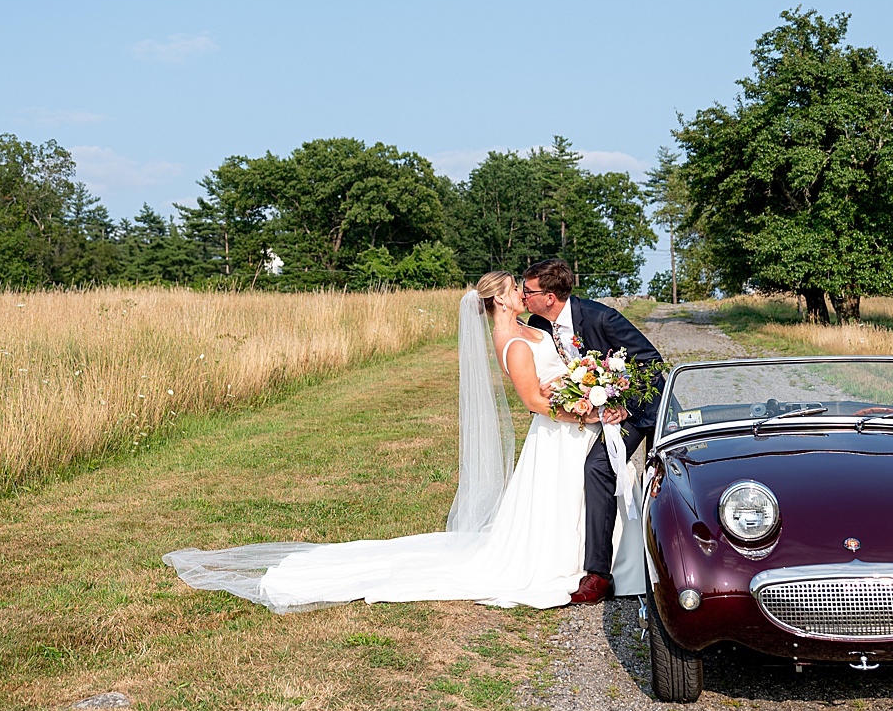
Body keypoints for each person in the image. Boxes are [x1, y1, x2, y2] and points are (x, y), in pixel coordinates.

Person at [163, 272, 603, 612]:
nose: (522, 293)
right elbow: (534, 400)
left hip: (570, 425)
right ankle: (560, 562)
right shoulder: (513, 343)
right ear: (501, 299)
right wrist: (586, 407)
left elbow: (555, 376)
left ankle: (592, 558)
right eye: (515, 289)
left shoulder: (531, 328)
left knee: (575, 496)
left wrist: (587, 385)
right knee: (558, 500)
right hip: (558, 429)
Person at [520, 257, 665, 604]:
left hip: (632, 412)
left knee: (598, 467)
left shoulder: (602, 317)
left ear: (550, 296)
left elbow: (652, 363)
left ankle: (599, 574)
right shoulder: (538, 321)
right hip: (583, 413)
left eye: (529, 291)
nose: (524, 297)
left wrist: (624, 406)